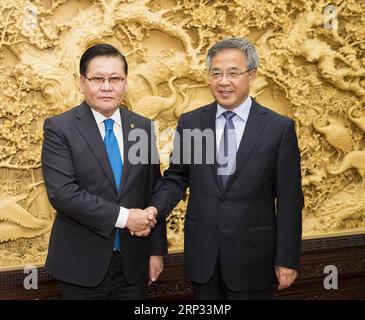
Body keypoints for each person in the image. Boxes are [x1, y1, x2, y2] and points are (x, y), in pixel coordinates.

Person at [145, 37, 304, 299]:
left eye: (233, 73)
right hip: (203, 258)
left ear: (252, 75)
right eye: (216, 73)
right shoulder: (192, 122)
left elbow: (289, 199)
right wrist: (153, 209)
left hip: (254, 259)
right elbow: (177, 177)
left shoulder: (278, 128)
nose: (223, 81)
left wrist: (286, 259)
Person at [41, 44, 167, 299]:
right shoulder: (60, 128)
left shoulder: (141, 127)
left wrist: (157, 251)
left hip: (133, 266)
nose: (107, 86)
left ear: (125, 82)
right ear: (82, 82)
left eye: (115, 78)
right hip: (81, 266)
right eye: (97, 79)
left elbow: (152, 189)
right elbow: (63, 194)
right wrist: (125, 218)